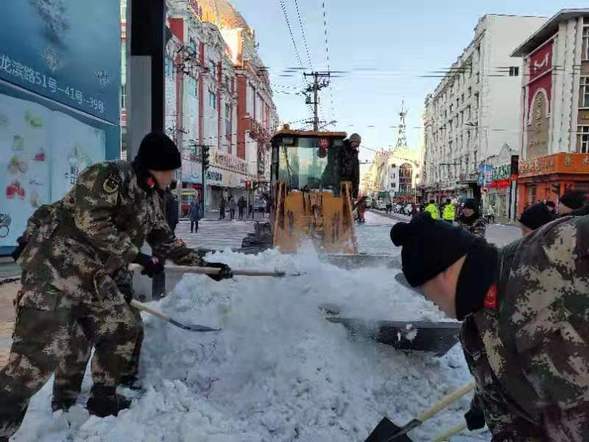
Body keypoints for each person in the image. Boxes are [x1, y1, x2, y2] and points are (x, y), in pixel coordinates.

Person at [0, 133, 233, 439]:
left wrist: (207, 266)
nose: (172, 177)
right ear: (154, 168)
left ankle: (103, 397)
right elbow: (91, 222)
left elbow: (164, 240)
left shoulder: (151, 199)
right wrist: (136, 255)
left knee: (123, 325)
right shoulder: (108, 176)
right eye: (170, 171)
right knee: (36, 360)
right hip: (55, 269)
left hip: (93, 276)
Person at [390, 213, 589, 440]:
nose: (427, 300)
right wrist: (482, 410)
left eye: (423, 290)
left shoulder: (546, 254)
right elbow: (508, 419)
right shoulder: (474, 337)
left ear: (443, 274)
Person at [340, 133, 361, 198]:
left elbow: (356, 175)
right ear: (351, 141)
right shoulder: (341, 148)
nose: (357, 146)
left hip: (348, 185)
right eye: (356, 143)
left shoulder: (354, 155)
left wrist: (355, 194)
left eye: (358, 144)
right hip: (339, 182)